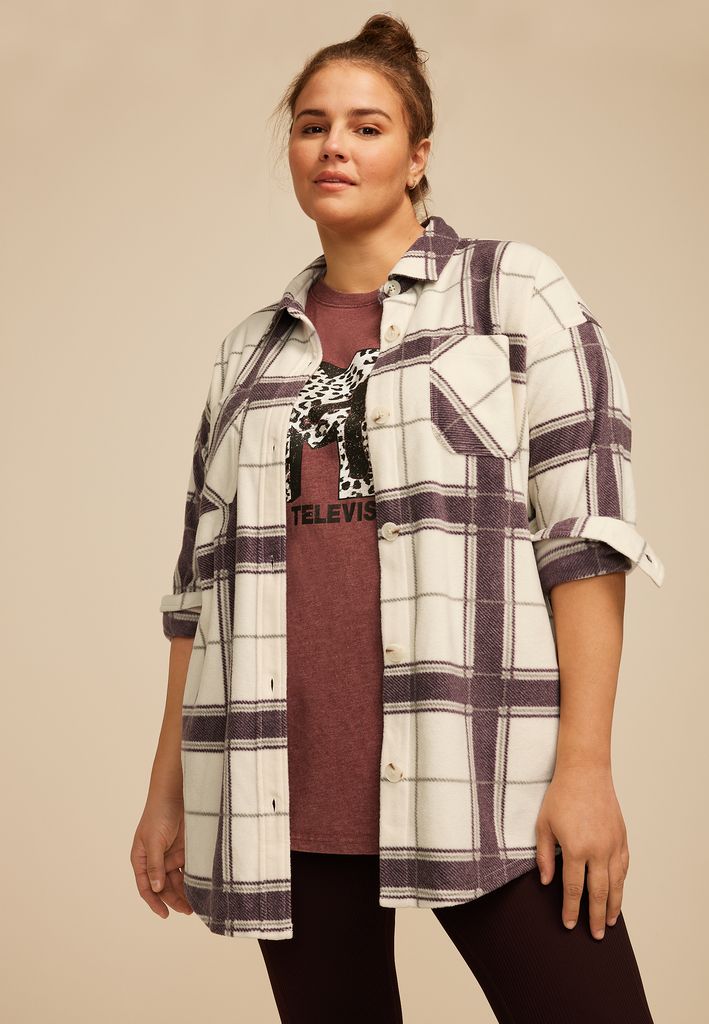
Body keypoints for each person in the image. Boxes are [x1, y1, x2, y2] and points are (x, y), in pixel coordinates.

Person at [130, 13, 664, 1024]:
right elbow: (198, 596)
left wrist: (585, 770)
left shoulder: (511, 292)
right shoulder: (248, 352)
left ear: (418, 155)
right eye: (312, 125)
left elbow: (584, 535)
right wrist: (167, 790)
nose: (333, 145)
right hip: (281, 783)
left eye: (366, 127)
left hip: (486, 767)